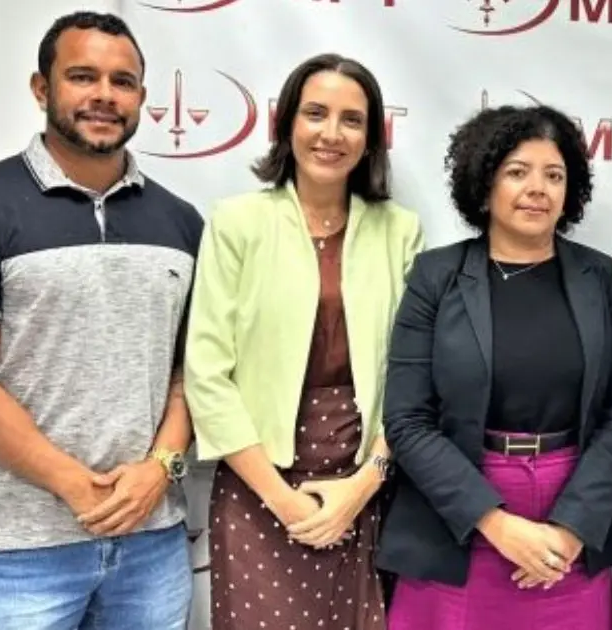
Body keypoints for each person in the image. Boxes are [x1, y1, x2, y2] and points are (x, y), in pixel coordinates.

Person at [0, 11, 201, 629]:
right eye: (82, 76)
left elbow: (191, 373)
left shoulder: (181, 222)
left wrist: (161, 469)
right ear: (41, 87)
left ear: (142, 98)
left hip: (151, 544)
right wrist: (74, 483)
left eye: (122, 81)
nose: (104, 95)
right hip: (14, 554)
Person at [376, 103, 612, 630]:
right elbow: (407, 419)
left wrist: (572, 527)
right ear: (484, 184)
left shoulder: (599, 277)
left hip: (572, 518)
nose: (538, 188)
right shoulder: (435, 276)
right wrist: (494, 523)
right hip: (458, 519)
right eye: (518, 172)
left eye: (554, 175)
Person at [182, 52, 424, 630]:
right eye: (316, 113)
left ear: (371, 139)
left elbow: (415, 374)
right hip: (257, 483)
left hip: (367, 480)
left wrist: (363, 485)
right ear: (287, 122)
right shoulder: (237, 222)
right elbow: (207, 374)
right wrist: (284, 500)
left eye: (351, 119)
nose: (331, 134)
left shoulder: (400, 231)